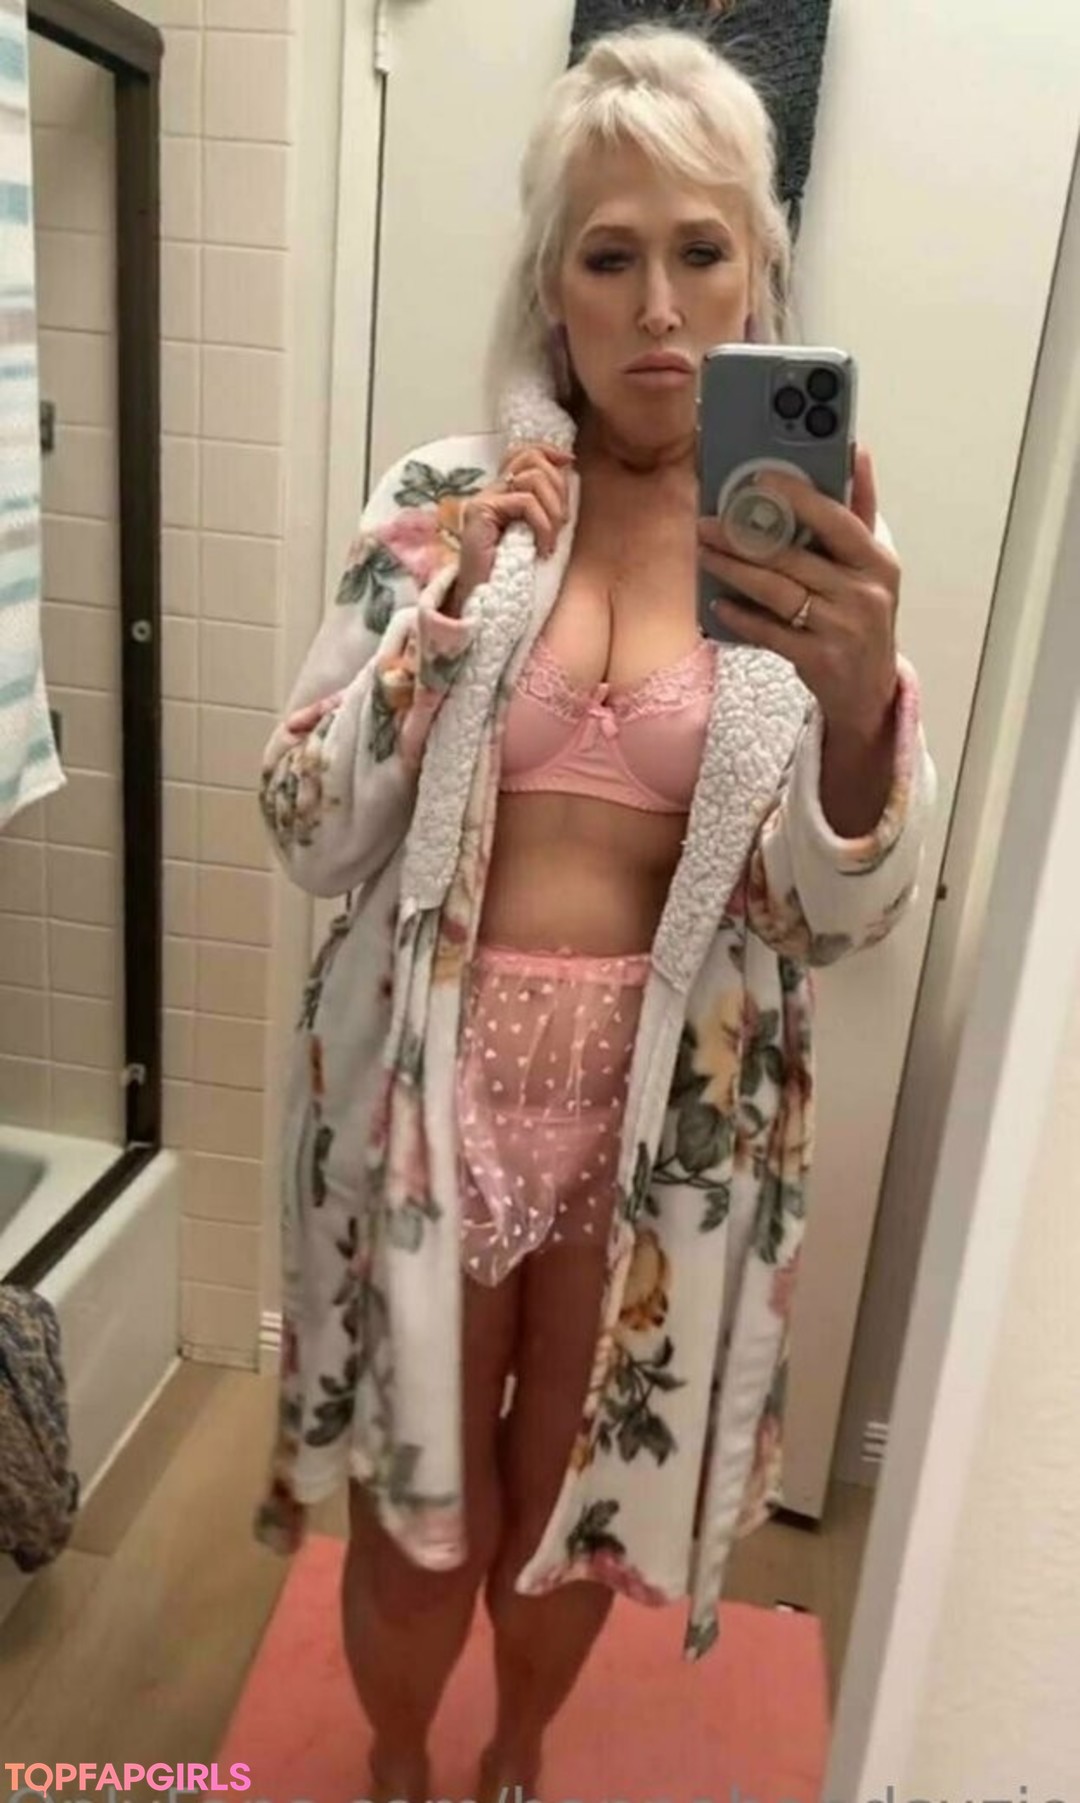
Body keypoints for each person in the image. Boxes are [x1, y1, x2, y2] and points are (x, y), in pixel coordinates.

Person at [253, 24, 937, 1803]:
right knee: (418, 1514)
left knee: (574, 1502)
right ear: (550, 286)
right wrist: (447, 616)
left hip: (666, 1128)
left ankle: (516, 1750)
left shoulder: (808, 549)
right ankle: (397, 1758)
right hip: (428, 1095)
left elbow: (834, 917)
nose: (658, 307)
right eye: (609, 255)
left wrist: (858, 720)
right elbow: (303, 823)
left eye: (701, 251)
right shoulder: (446, 499)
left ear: (760, 267)